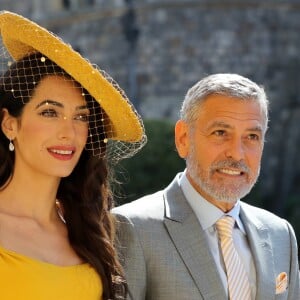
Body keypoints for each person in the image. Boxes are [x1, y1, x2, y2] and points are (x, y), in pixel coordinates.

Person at [114, 73, 300, 300]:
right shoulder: (132, 228)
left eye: (252, 136)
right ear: (183, 138)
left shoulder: (280, 234)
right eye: (220, 133)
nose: (237, 153)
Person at [0, 11, 146, 300]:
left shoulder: (87, 225)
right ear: (9, 124)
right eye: (50, 112)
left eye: (80, 117)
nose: (69, 132)